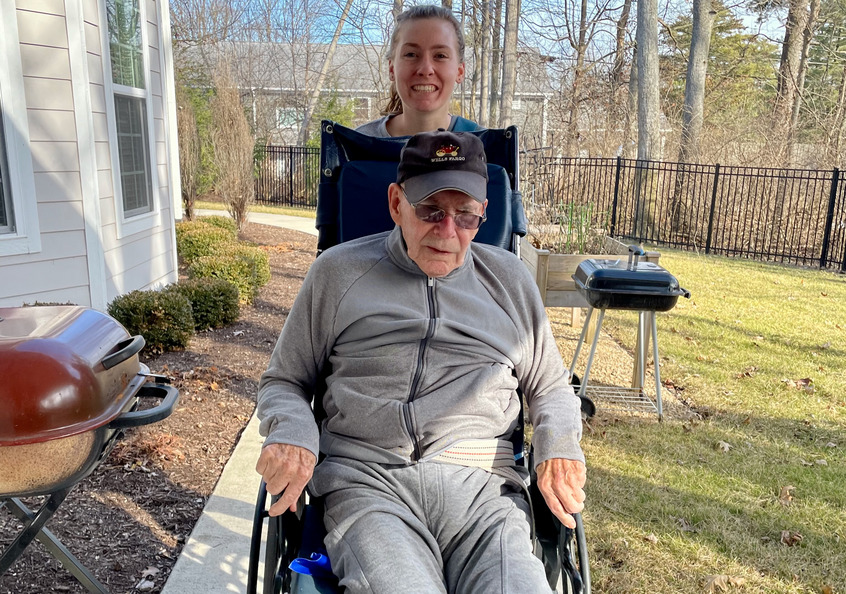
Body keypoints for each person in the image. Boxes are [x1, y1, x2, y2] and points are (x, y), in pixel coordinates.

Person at [256, 129, 586, 594]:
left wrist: (559, 441)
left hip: (484, 493)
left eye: (466, 216)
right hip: (370, 483)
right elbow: (284, 380)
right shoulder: (338, 272)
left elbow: (551, 387)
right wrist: (291, 431)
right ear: (396, 204)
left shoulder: (509, 280)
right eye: (430, 210)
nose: (447, 231)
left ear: (483, 214)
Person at [356, 5, 479, 138]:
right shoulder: (355, 146)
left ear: (460, 71)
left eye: (440, 56)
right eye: (411, 54)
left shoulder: (485, 146)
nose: (425, 69)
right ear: (392, 68)